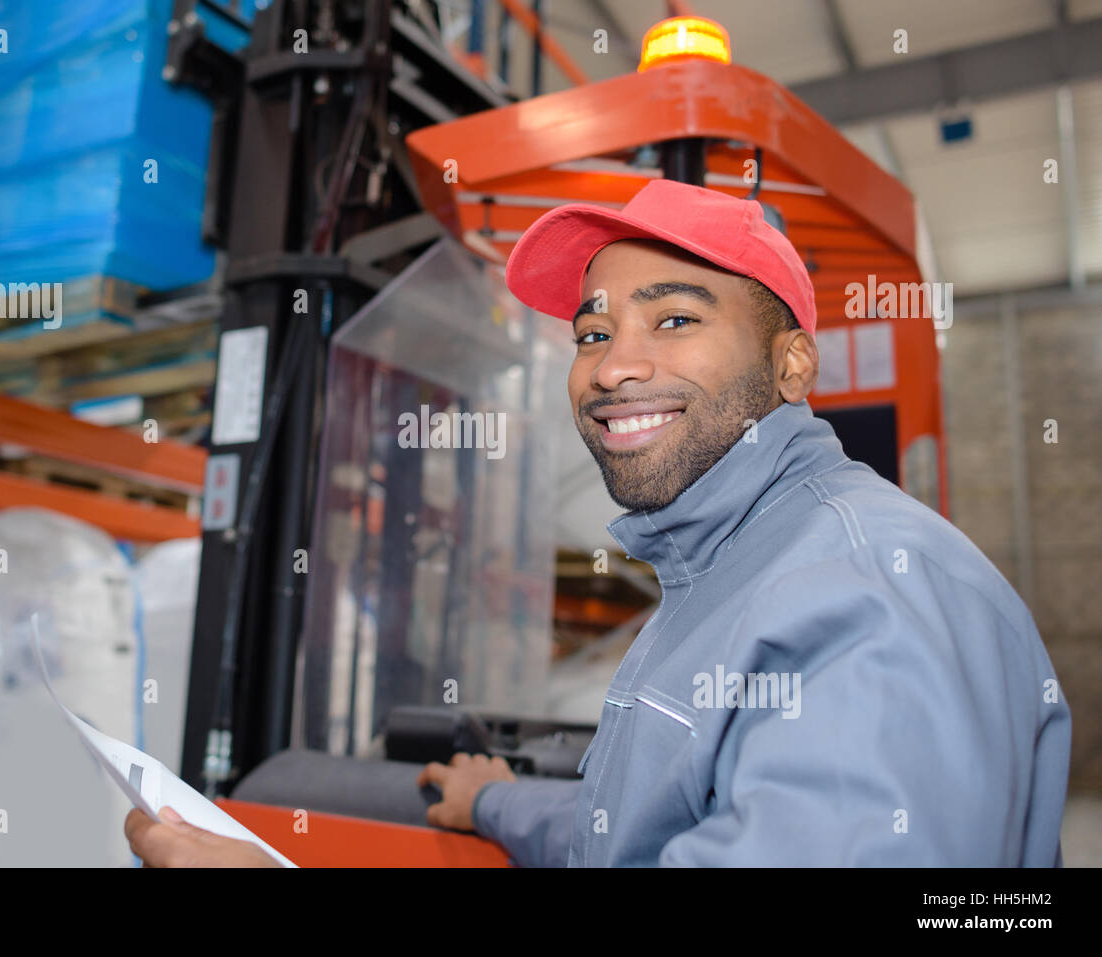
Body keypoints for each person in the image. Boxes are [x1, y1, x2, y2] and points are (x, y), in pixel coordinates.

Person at [127, 178, 1071, 867]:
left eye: (673, 320)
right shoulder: (718, 574)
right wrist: (495, 798)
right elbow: (632, 831)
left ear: (792, 366)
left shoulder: (871, 594)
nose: (613, 366)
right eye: (591, 331)